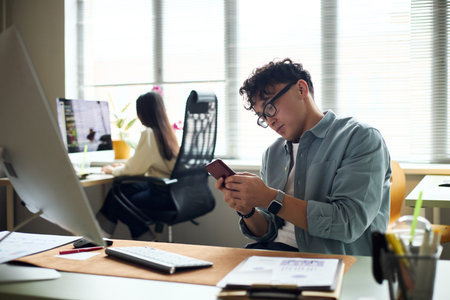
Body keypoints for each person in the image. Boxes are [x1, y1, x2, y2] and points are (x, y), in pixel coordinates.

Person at [214, 58, 391, 256]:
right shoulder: (272, 154)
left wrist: (270, 197)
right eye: (262, 116)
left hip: (330, 264)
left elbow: (348, 223)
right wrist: (247, 210)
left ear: (301, 89)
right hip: (273, 257)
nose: (270, 120)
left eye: (271, 106)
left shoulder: (359, 137)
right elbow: (268, 231)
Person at [96, 91, 179, 240]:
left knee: (118, 199)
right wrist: (123, 165)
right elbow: (144, 161)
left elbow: (136, 169)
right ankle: (100, 236)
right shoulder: (166, 132)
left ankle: (96, 237)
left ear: (141, 113)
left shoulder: (149, 133)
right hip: (171, 190)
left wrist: (113, 170)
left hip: (162, 192)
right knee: (120, 190)